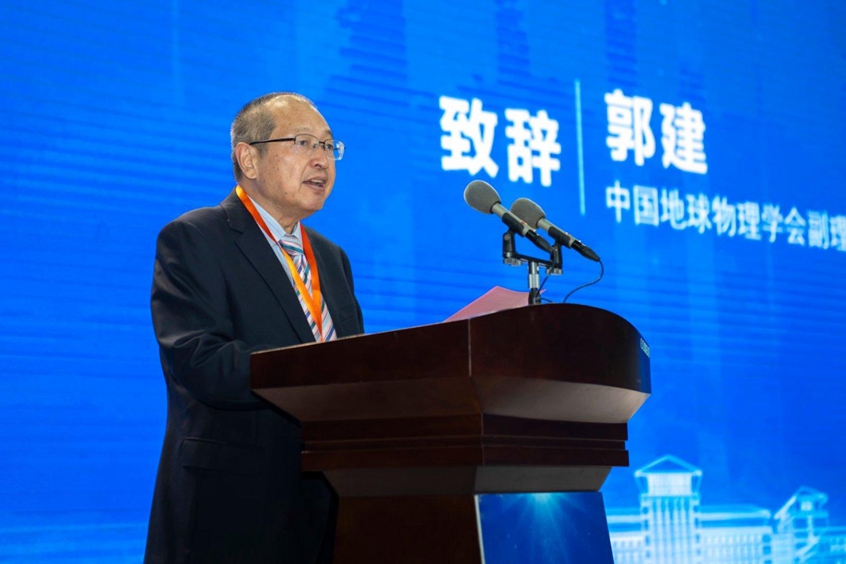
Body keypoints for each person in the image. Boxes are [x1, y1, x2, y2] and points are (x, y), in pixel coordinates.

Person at [144, 92, 364, 563]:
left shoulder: (332, 258)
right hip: (233, 512)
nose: (322, 159)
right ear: (248, 158)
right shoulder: (196, 237)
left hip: (331, 506)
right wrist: (319, 370)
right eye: (303, 142)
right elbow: (200, 360)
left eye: (329, 146)